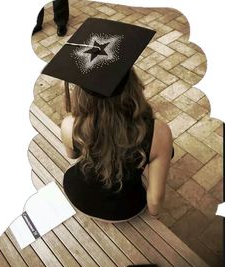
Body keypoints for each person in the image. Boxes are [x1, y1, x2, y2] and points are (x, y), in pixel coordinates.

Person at [42, 18, 173, 222]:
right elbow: (154, 201)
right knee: (161, 151)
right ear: (133, 86)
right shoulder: (159, 133)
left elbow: (72, 155)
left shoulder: (70, 124)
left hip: (79, 195)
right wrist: (153, 217)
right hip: (124, 209)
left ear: (81, 92)